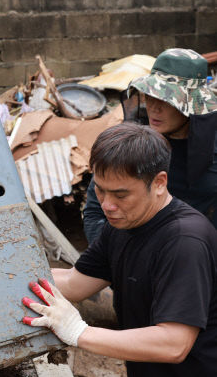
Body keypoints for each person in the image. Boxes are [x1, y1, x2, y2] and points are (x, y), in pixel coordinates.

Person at [22, 123, 217, 377]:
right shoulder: (122, 226)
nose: (106, 205)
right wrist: (9, 274)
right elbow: (74, 282)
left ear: (159, 183)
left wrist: (79, 331)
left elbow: (174, 343)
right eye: (100, 191)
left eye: (120, 195)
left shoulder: (184, 242)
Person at [82, 48, 217, 243]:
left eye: (167, 99)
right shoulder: (130, 146)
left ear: (192, 104)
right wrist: (112, 258)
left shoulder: (210, 150)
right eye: (151, 95)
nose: (154, 107)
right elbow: (95, 212)